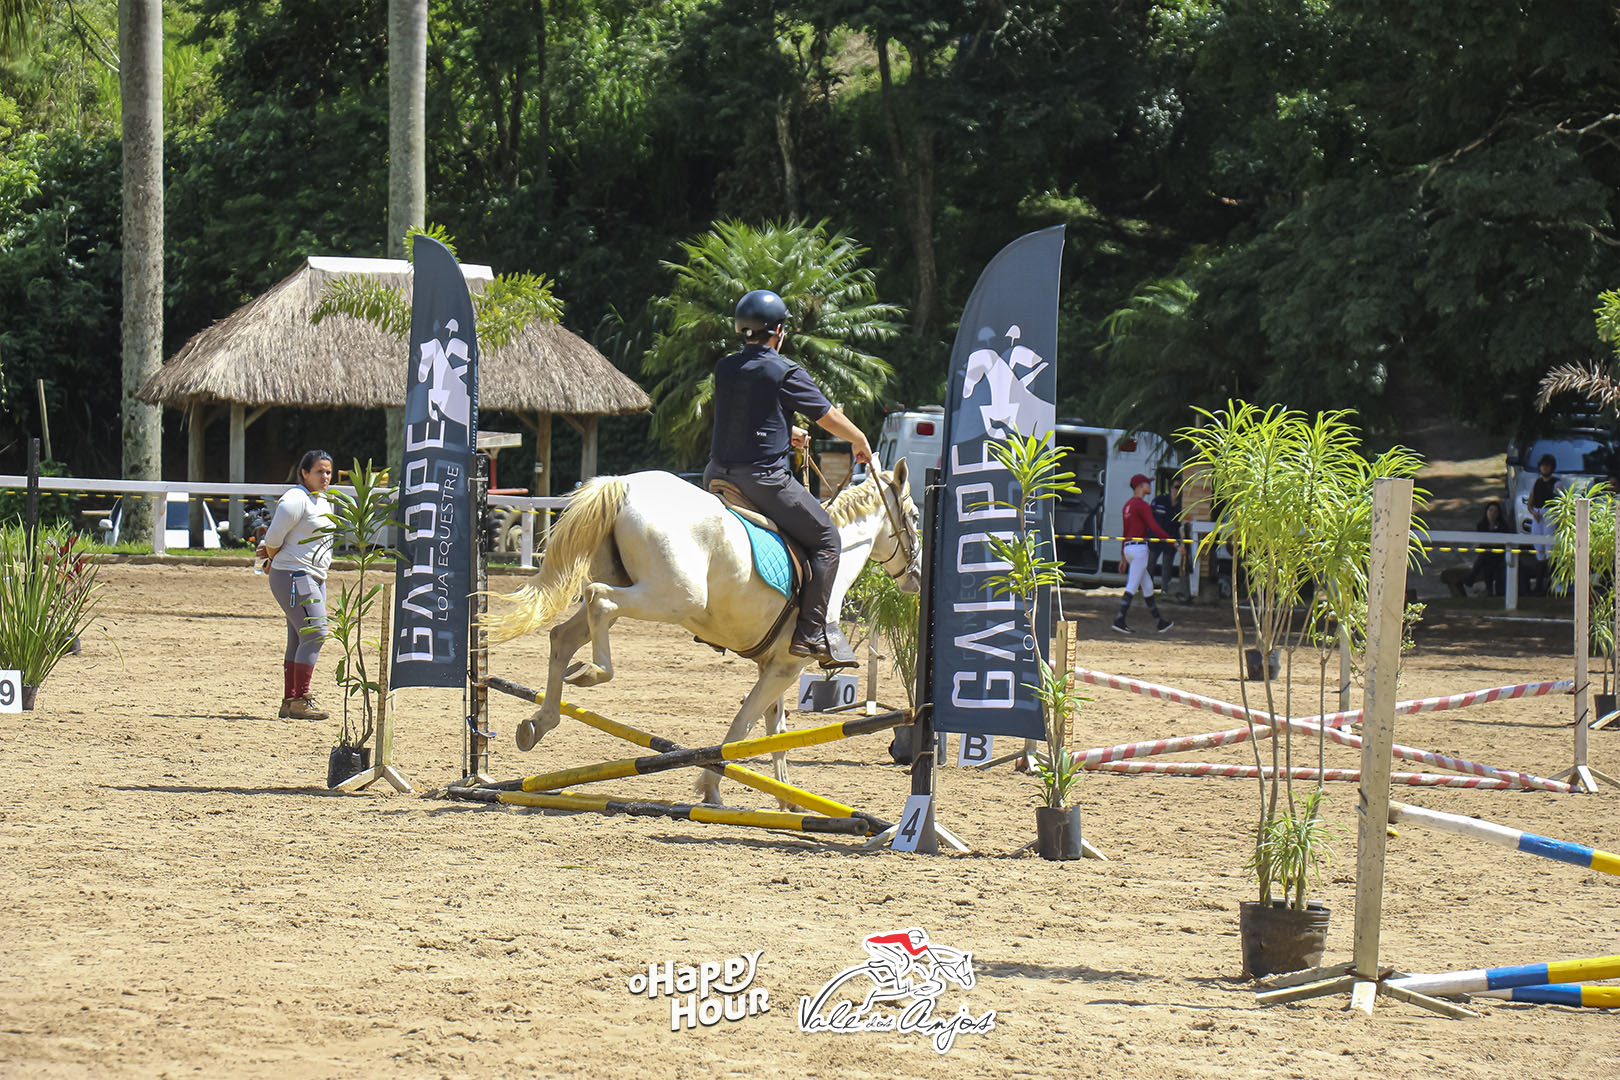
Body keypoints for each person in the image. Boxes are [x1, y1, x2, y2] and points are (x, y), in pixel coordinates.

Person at [704, 289, 873, 668]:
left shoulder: (726, 367)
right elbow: (826, 416)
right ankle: (810, 633)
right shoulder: (785, 370)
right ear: (778, 331)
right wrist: (858, 438)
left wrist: (787, 431)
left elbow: (747, 412)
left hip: (716, 474)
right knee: (828, 539)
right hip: (762, 480)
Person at [258, 450, 335, 719]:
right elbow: (273, 538)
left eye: (328, 472)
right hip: (295, 575)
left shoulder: (321, 499)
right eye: (319, 472)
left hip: (312, 577)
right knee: (316, 634)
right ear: (304, 473)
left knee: (300, 638)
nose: (325, 476)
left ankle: (290, 701)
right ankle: (301, 697)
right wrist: (272, 558)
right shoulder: (294, 500)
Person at [1114, 473, 1183, 634]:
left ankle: (1160, 622)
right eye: (1147, 483)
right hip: (1139, 549)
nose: (1149, 486)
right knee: (1132, 585)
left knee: (1148, 585)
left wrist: (1123, 556)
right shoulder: (1142, 506)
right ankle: (1119, 619)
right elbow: (1155, 527)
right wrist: (1173, 542)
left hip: (1129, 549)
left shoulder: (1128, 505)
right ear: (1139, 486)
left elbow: (1125, 532)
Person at [1461, 500, 1513, 597]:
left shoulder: (1502, 526)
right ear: (1486, 511)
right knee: (1485, 559)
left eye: (1495, 511)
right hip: (1487, 555)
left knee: (1486, 559)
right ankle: (1488, 589)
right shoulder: (1481, 525)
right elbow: (1480, 543)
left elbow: (1500, 543)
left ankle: (1471, 580)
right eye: (1490, 510)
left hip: (1499, 555)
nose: (1492, 513)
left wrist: (1488, 543)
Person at [1527, 453, 1558, 596]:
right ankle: (1539, 584)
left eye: (1547, 466)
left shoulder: (1557, 483)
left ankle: (1550, 583)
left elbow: (1560, 502)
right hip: (1538, 515)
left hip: (1550, 514)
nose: (1544, 468)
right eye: (1543, 465)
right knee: (1538, 548)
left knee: (1549, 548)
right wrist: (1533, 512)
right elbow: (1530, 502)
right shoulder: (1537, 482)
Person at [1146, 477, 1182, 586]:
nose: (1178, 490)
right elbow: (1149, 518)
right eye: (1176, 487)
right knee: (1150, 565)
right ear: (1170, 488)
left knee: (1167, 567)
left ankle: (1165, 590)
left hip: (1171, 539)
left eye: (1180, 488)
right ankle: (1146, 589)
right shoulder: (1159, 500)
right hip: (1155, 539)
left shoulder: (1182, 505)